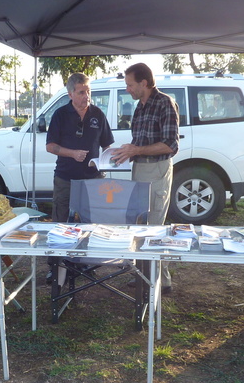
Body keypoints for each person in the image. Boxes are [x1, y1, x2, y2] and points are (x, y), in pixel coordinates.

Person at [112, 63, 180, 293]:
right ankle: (144, 275)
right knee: (138, 224)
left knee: (155, 227)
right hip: (139, 169)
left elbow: (170, 145)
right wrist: (125, 153)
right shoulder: (139, 107)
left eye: (130, 85)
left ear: (143, 83)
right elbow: (140, 144)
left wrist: (136, 151)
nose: (127, 89)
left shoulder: (165, 103)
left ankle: (162, 282)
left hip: (157, 169)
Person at [46, 72, 114, 222]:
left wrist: (108, 161)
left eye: (88, 91)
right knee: (60, 222)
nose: (87, 96)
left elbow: (106, 144)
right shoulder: (60, 115)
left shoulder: (98, 114)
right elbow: (50, 146)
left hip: (93, 178)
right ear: (70, 94)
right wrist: (73, 154)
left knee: (92, 222)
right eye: (81, 92)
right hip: (65, 178)